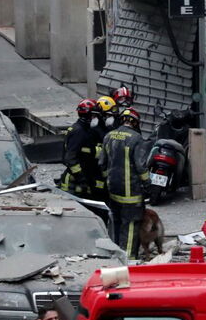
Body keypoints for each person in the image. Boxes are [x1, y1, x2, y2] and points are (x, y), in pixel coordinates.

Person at [98, 108, 149, 259]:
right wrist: (148, 184)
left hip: (113, 191)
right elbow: (141, 167)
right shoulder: (136, 139)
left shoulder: (109, 136)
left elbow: (102, 163)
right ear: (135, 123)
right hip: (131, 192)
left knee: (116, 222)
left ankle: (114, 255)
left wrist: (108, 181)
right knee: (131, 224)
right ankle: (128, 258)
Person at [59, 99, 104, 198]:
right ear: (88, 115)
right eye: (94, 115)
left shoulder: (84, 129)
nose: (96, 118)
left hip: (80, 180)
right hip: (73, 183)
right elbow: (70, 158)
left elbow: (84, 151)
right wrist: (81, 178)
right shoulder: (79, 131)